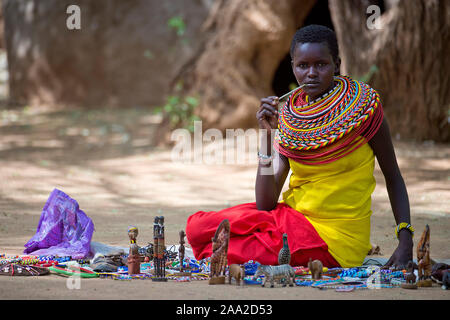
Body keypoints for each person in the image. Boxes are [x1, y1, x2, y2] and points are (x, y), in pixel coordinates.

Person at [186, 24, 413, 269]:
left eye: (321, 64)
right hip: (290, 221)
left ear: (336, 64)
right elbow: (266, 203)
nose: (311, 73)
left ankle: (261, 244)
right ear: (293, 66)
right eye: (303, 66)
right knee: (197, 227)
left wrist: (406, 241)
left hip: (334, 239)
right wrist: (266, 134)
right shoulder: (292, 119)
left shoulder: (362, 109)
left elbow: (393, 177)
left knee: (223, 251)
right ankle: (262, 241)